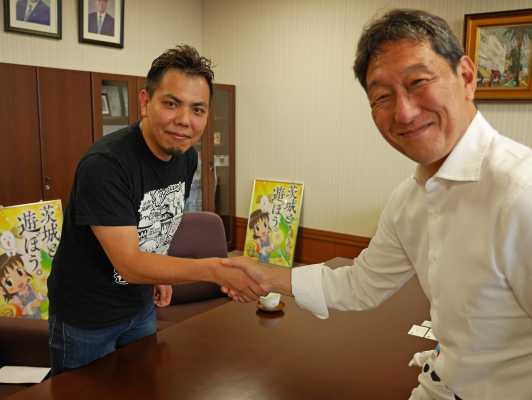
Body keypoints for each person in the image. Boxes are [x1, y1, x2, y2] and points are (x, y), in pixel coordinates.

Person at [222, 9, 532, 400]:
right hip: (439, 384)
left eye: (418, 82)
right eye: (382, 96)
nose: (404, 112)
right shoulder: (410, 198)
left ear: (467, 78)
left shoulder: (520, 194)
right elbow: (361, 283)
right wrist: (267, 276)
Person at [47, 44, 266, 377]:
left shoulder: (186, 156)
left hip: (141, 305)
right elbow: (130, 263)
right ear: (145, 102)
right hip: (87, 316)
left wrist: (160, 273)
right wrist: (214, 270)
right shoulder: (105, 165)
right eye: (171, 104)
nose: (184, 121)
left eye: (197, 109)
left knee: (142, 385)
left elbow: (159, 219)